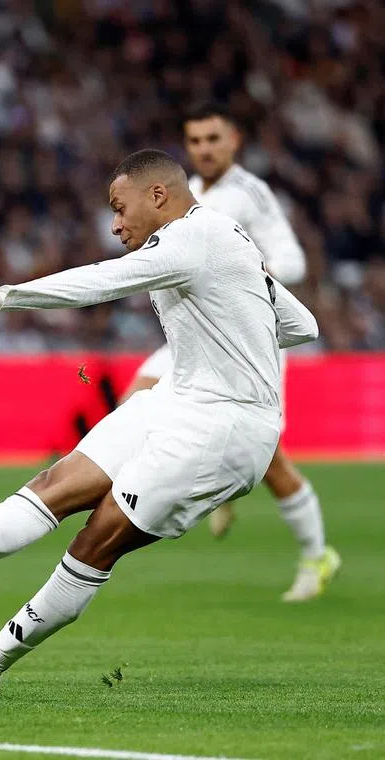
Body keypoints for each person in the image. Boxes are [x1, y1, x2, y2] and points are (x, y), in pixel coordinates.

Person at [0, 149, 318, 699]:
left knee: (97, 540)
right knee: (53, 487)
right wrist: (239, 324)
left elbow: (103, 281)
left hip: (226, 424)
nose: (114, 224)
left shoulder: (192, 237)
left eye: (119, 208)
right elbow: (301, 325)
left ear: (158, 195)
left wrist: (5, 297)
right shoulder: (225, 240)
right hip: (177, 398)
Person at [123, 104, 338, 601]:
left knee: (271, 463)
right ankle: (209, 484)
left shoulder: (250, 193)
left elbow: (293, 260)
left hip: (247, 338)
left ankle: (317, 555)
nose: (204, 149)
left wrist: (245, 274)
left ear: (234, 140)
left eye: (213, 139)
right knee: (135, 400)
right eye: (195, 140)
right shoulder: (183, 194)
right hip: (193, 334)